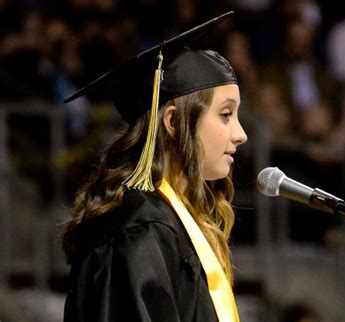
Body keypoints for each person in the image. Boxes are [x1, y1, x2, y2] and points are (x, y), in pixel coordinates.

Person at [61, 12, 247, 322]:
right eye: (226, 115)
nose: (241, 134)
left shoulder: (173, 222)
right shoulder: (141, 227)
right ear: (173, 122)